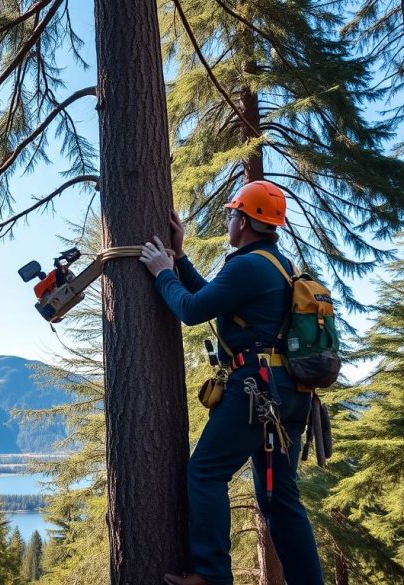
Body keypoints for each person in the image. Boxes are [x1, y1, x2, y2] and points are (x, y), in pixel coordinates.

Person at [139, 180, 325, 585]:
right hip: (292, 395)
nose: (229, 220)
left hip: (256, 389)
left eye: (231, 214)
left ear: (244, 220)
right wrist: (181, 259)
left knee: (205, 472)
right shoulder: (278, 265)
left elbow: (190, 310)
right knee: (280, 500)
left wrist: (162, 273)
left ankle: (212, 575)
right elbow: (212, 298)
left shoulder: (246, 265)